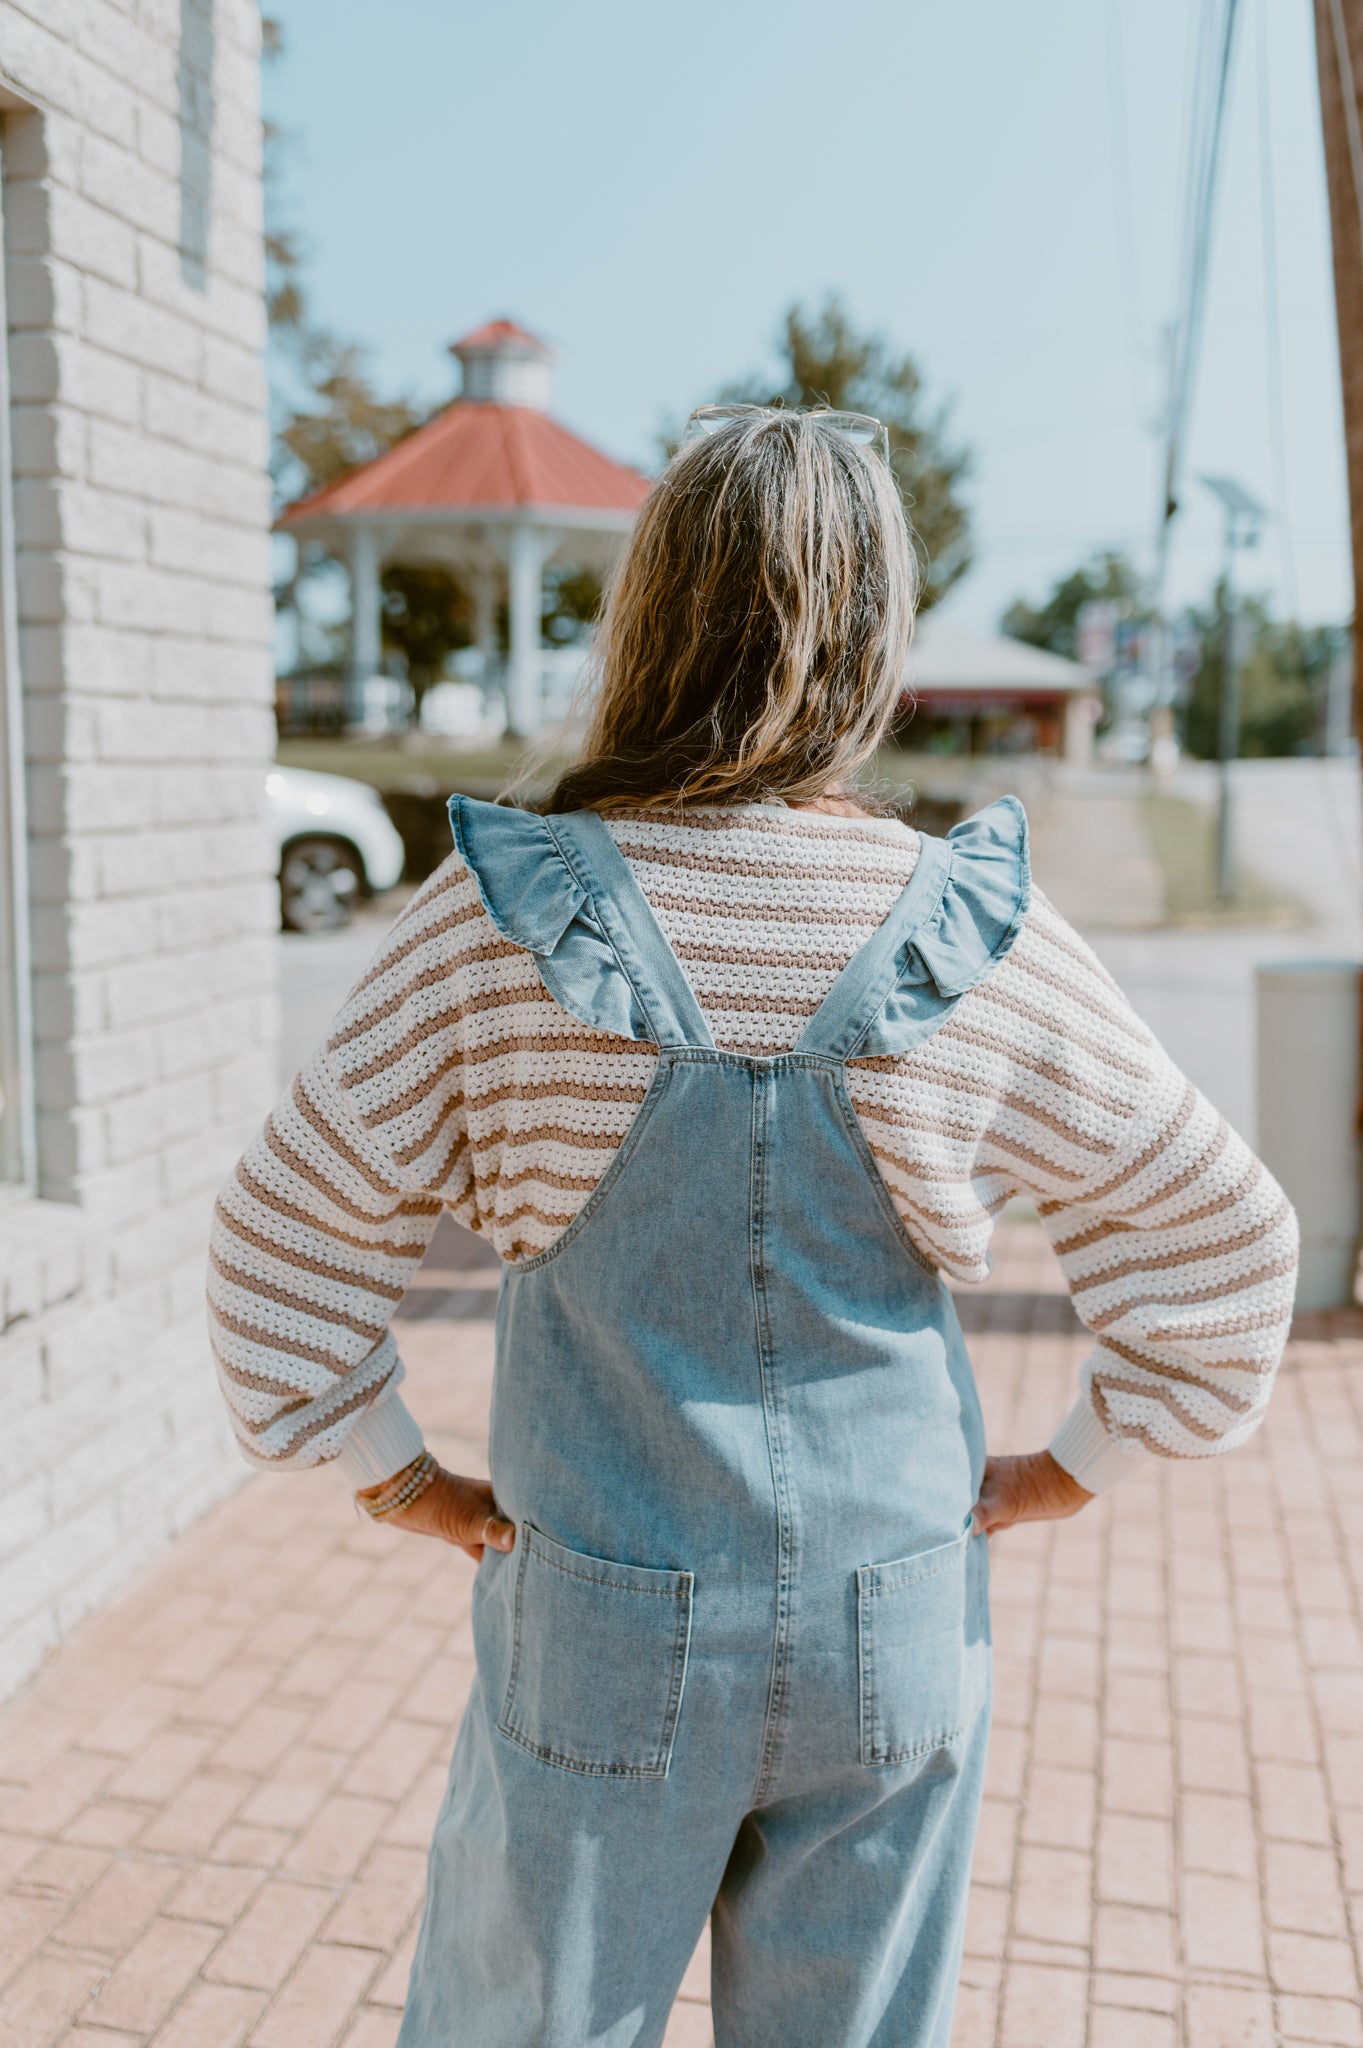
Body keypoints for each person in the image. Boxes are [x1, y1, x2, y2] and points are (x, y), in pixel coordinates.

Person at [208, 405, 1298, 2048]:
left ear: (654, 610)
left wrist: (397, 1474)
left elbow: (280, 1245)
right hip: (898, 1616)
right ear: (872, 637)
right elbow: (1224, 1240)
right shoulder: (974, 928)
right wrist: (1082, 1461)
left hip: (596, 1615)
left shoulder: (509, 917)